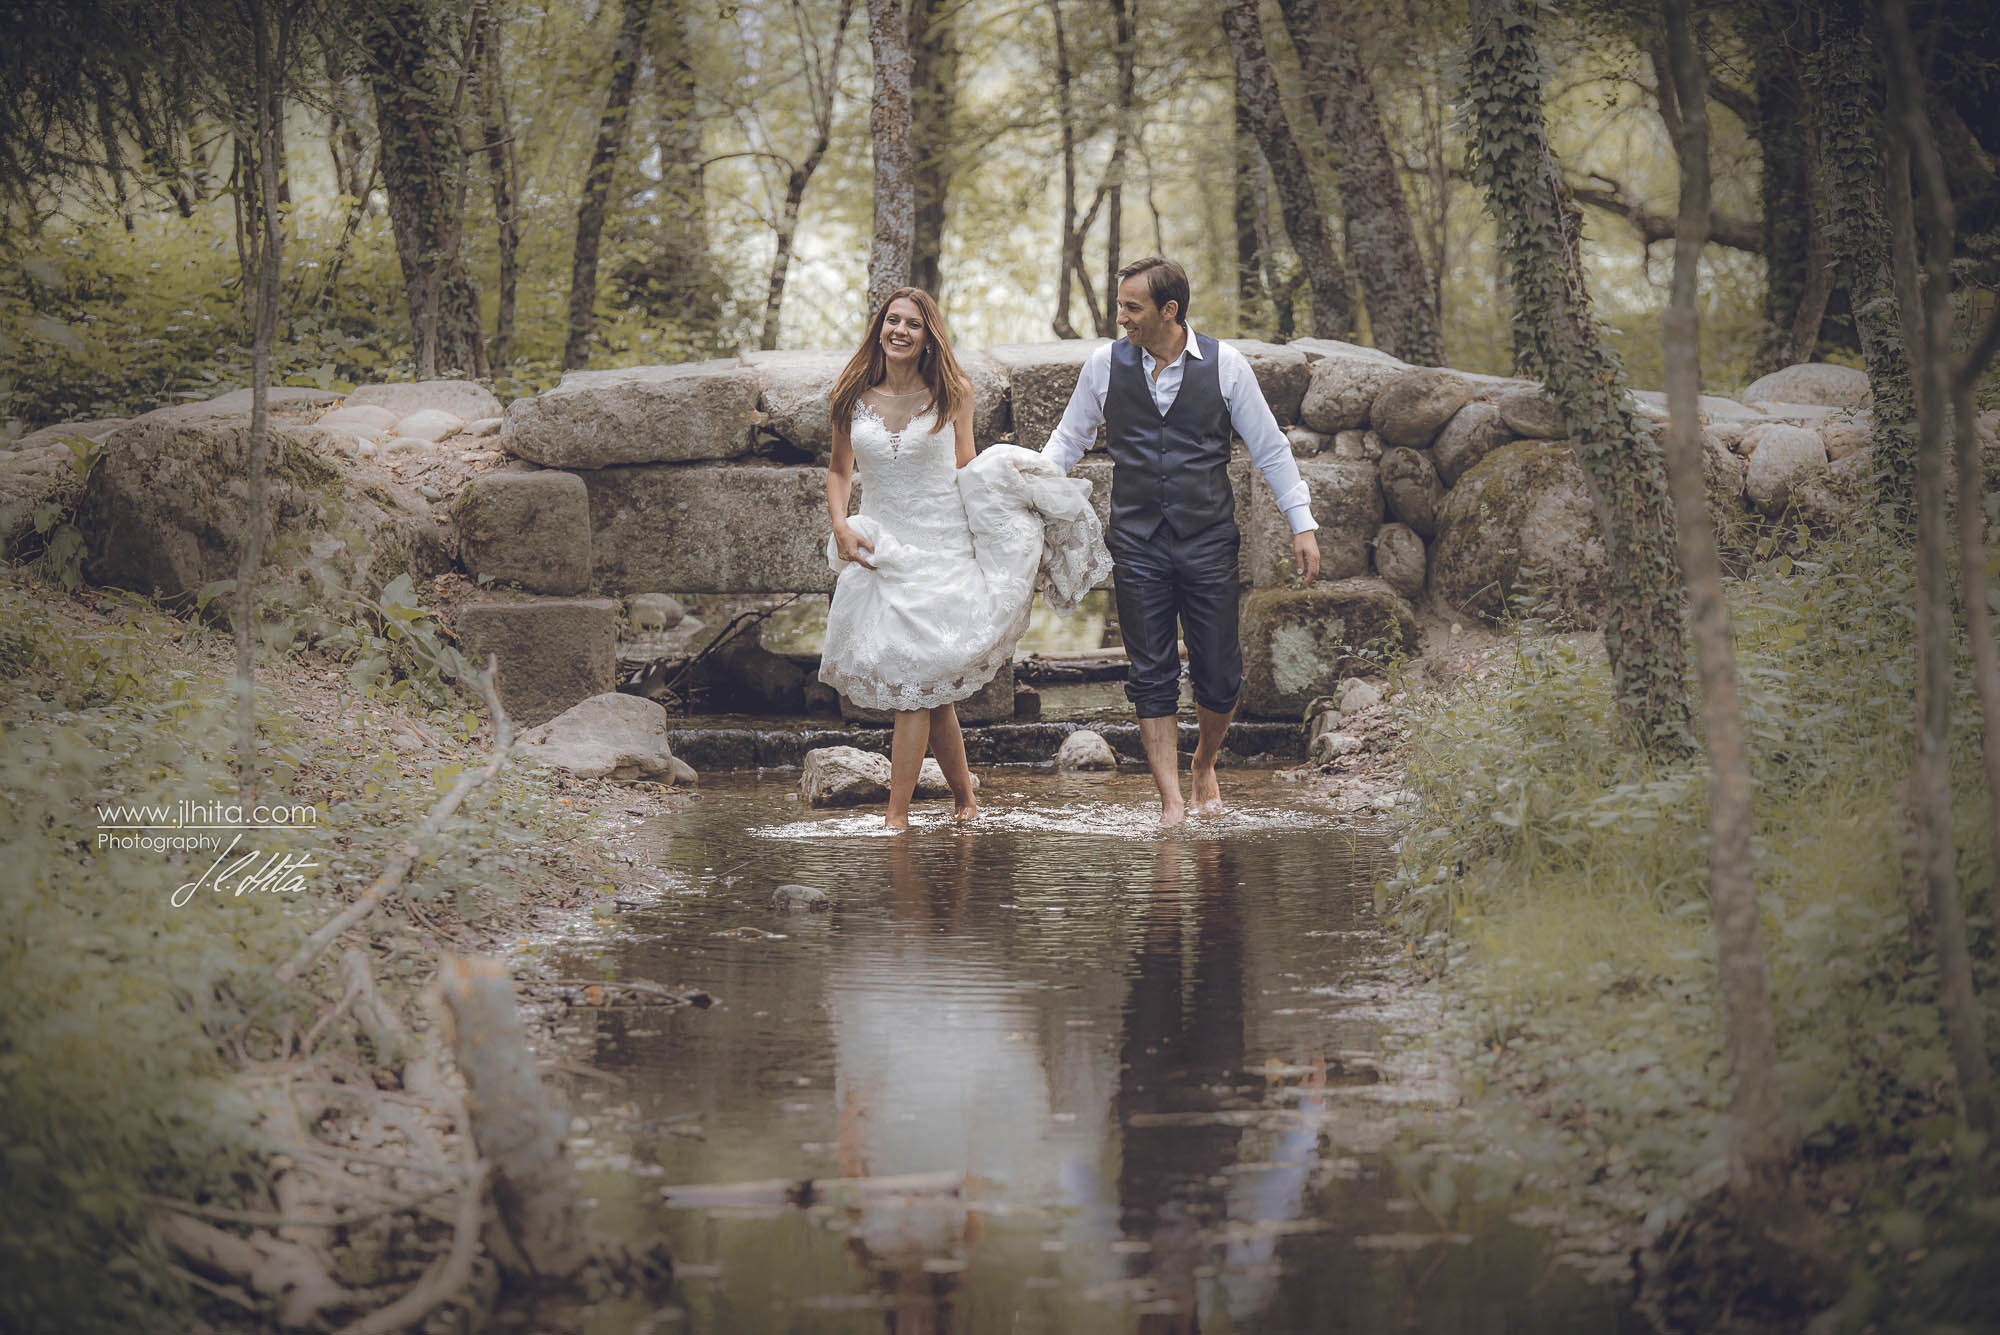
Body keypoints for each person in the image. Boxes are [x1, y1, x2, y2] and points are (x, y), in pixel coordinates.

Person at [1041, 256, 1321, 828]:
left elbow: (1269, 448)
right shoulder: (1104, 365)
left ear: (1170, 311)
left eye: (1131, 307)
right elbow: (1066, 442)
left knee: (1221, 673)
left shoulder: (1226, 365)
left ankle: (1204, 764)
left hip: (1208, 538)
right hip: (1138, 540)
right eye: (1121, 305)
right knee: (1151, 672)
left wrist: (1302, 523)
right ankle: (1171, 800)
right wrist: (1023, 498)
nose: (1121, 318)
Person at [819, 287, 1110, 830]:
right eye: (892, 321)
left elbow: (966, 467)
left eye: (912, 324)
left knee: (916, 687)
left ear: (929, 336)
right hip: (884, 547)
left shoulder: (952, 394)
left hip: (944, 551)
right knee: (929, 688)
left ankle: (896, 818)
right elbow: (839, 471)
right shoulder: (852, 395)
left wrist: (1005, 521)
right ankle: (966, 803)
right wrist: (839, 525)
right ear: (879, 328)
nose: (899, 331)